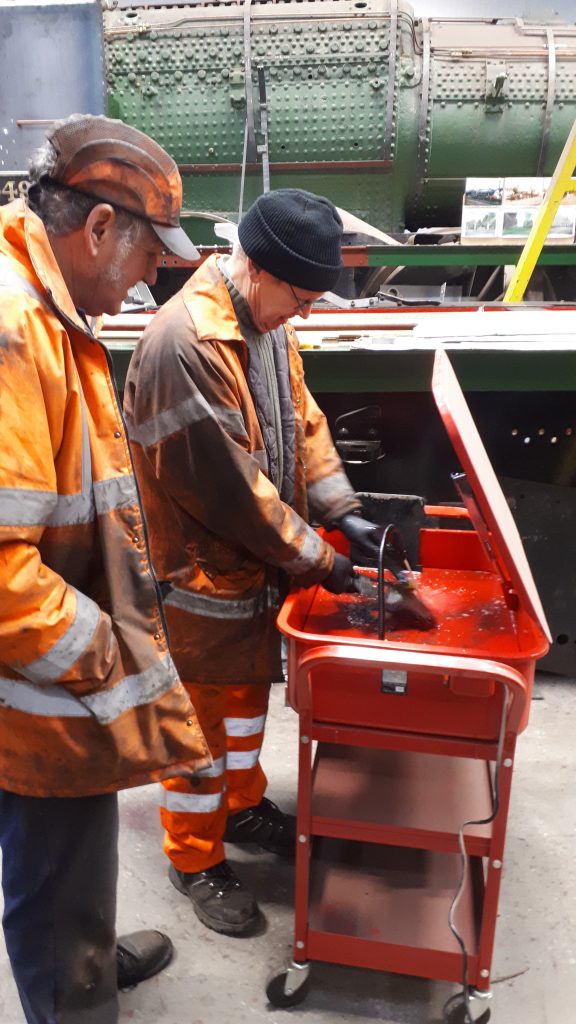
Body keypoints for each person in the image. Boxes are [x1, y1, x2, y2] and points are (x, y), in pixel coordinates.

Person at [124, 188, 382, 937]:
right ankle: (194, 856)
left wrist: (344, 512)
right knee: (199, 730)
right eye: (300, 297)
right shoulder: (186, 347)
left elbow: (302, 422)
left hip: (248, 576)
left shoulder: (264, 323)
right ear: (258, 269)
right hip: (200, 578)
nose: (303, 312)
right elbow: (232, 493)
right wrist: (320, 561)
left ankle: (240, 807)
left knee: (243, 711)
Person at [0, 114, 211, 1024]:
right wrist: (102, 655)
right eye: (145, 257)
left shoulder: (51, 309)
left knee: (71, 841)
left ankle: (79, 943)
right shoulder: (13, 329)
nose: (148, 280)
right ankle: (70, 992)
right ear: (94, 230)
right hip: (41, 677)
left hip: (52, 667)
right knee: (52, 836)